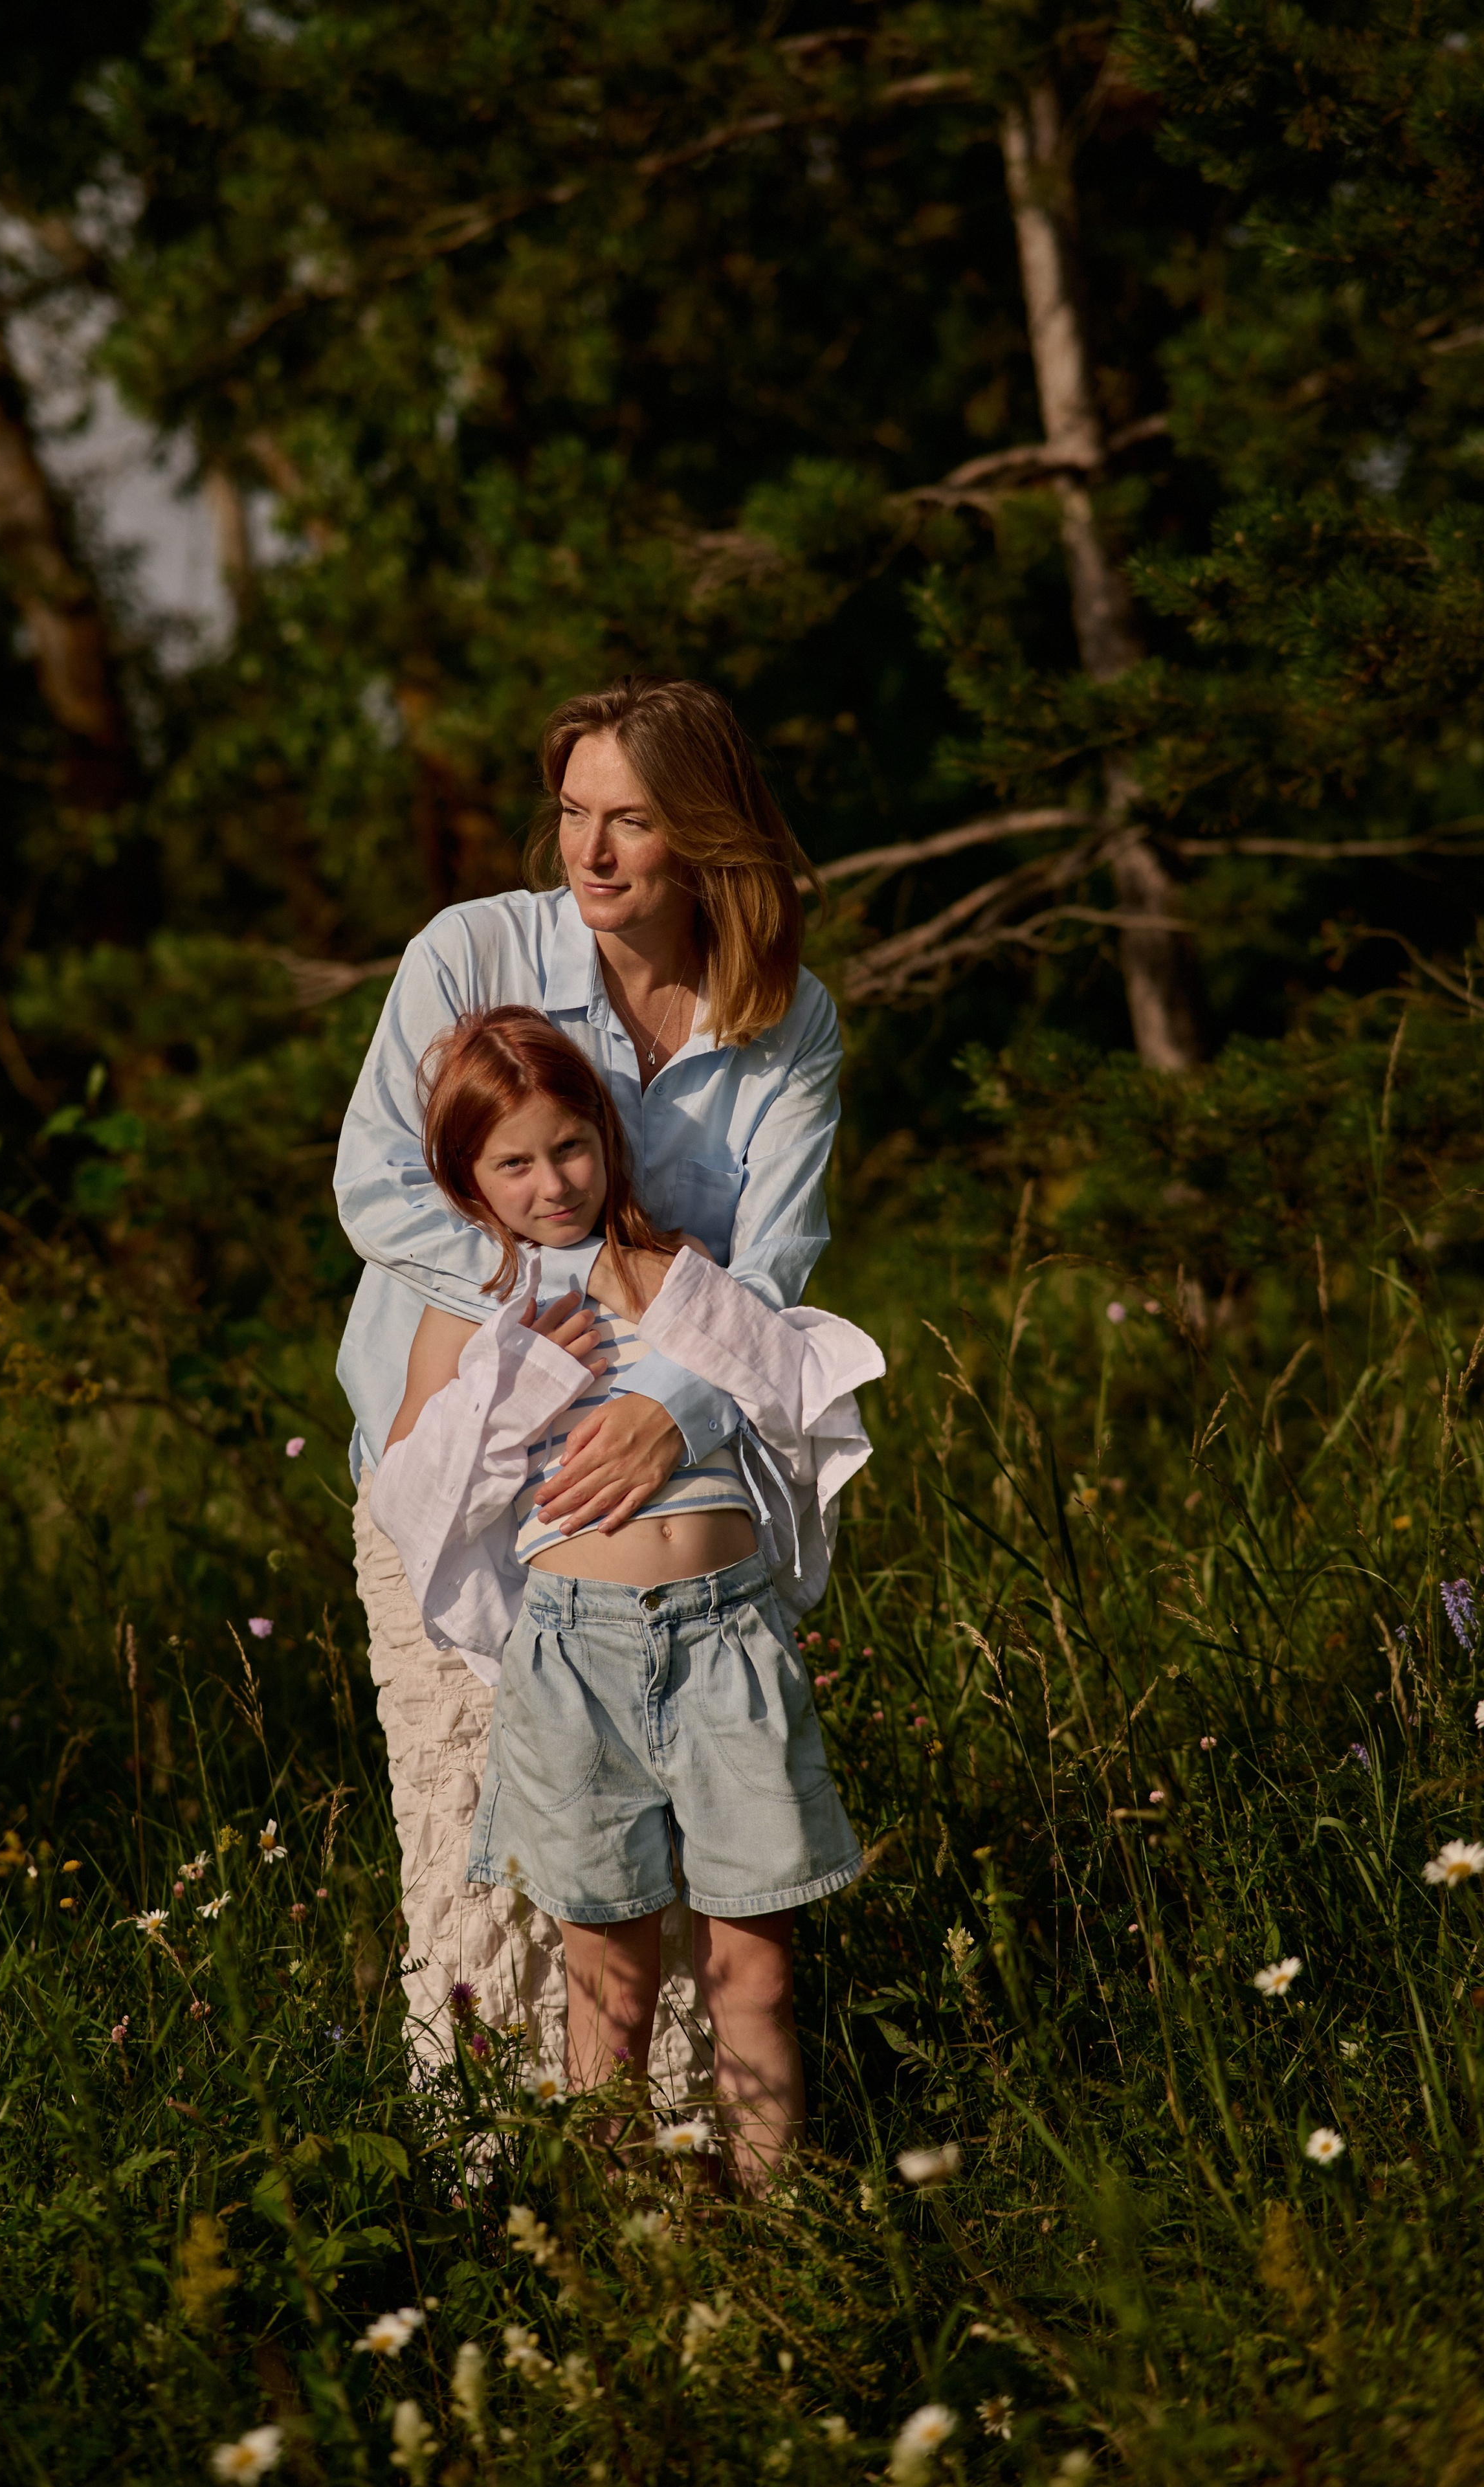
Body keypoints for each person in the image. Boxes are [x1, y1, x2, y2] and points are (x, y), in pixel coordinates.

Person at [335, 675, 843, 2090]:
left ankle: (682, 2209)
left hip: (665, 1499)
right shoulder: (471, 953)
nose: (591, 852)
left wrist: (661, 1406)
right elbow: (379, 1188)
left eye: (631, 820)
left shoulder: (784, 1020)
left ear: (707, 834)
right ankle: (497, 2208)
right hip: (469, 1469)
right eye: (572, 813)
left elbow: (776, 1259)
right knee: (480, 1865)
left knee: (675, 1899)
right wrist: (552, 1298)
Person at [371, 1007, 881, 2189]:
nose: (552, 1183)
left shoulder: (685, 1271)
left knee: (754, 1971)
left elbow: (799, 1389)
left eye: (571, 1148)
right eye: (514, 1161)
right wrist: (529, 1378)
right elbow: (413, 1494)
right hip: (576, 1653)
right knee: (612, 1988)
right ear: (467, 1183)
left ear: (608, 1138)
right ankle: (622, 2258)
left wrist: (682, 1343)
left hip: (724, 1634)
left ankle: (775, 2238)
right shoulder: (473, 1312)